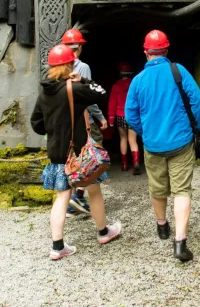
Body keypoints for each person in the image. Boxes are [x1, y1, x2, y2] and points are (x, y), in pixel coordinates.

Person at [30, 44, 121, 260]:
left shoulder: (45, 92)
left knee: (62, 197)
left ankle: (57, 246)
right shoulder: (75, 88)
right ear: (70, 64)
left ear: (51, 67)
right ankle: (103, 232)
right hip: (79, 155)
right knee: (94, 190)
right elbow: (101, 92)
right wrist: (84, 80)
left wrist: (53, 130)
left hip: (57, 154)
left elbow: (36, 123)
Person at [125, 29, 200, 262]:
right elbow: (198, 103)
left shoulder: (138, 80)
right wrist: (194, 129)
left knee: (157, 188)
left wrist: (146, 133)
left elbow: (131, 116)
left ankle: (162, 226)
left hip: (153, 145)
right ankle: (180, 243)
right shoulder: (178, 71)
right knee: (182, 190)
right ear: (167, 50)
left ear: (145, 52)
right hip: (181, 142)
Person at [61, 28, 108, 217]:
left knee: (74, 159)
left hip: (65, 122)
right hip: (83, 119)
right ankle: (79, 197)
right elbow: (90, 96)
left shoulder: (58, 69)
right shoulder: (83, 67)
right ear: (79, 47)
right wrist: (101, 117)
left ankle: (72, 200)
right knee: (93, 156)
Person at [108, 62, 140, 174]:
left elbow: (112, 103)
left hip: (120, 115)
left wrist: (111, 119)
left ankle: (124, 165)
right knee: (133, 140)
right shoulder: (134, 85)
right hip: (132, 115)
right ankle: (136, 163)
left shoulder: (116, 86)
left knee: (123, 138)